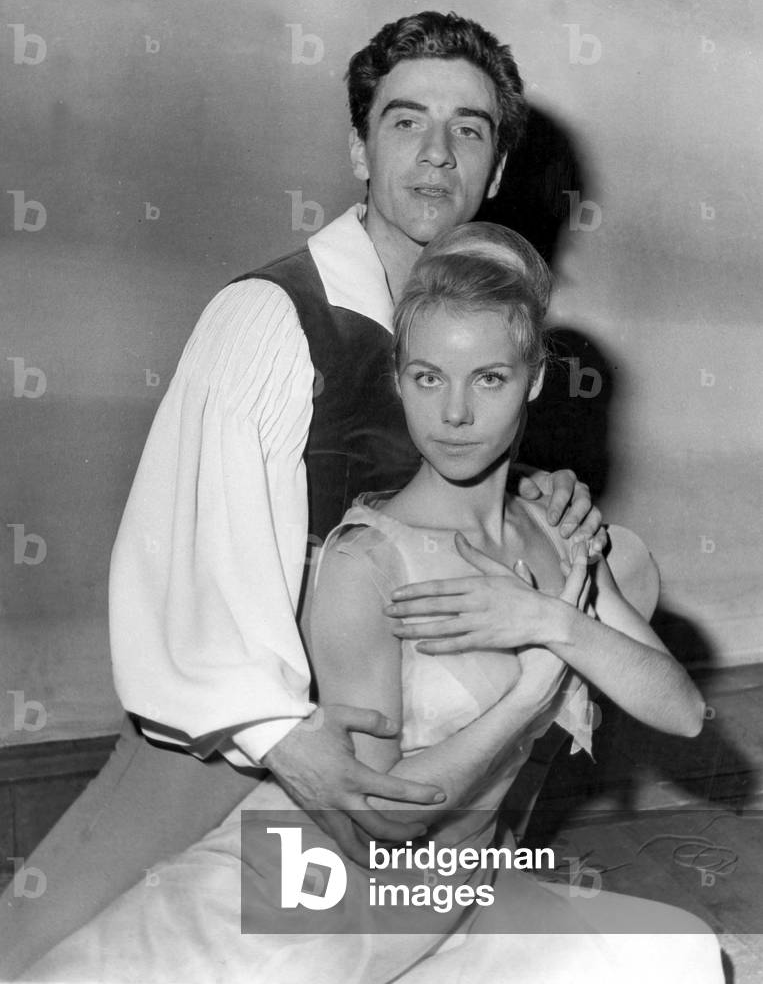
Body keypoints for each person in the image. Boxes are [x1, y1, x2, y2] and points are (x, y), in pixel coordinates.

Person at [0, 12, 602, 978]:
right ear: (356, 147)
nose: (437, 155)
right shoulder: (272, 319)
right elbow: (196, 563)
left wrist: (540, 495)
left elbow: (435, 486)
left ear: (494, 172)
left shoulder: (478, 334)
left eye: (469, 130)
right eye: (405, 122)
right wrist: (285, 737)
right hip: (236, 754)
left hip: (399, 773)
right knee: (46, 949)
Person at [22, 223, 722, 984]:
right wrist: (529, 691)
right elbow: (382, 818)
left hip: (438, 903)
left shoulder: (551, 536)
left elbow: (681, 711)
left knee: (676, 950)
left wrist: (551, 621)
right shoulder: (368, 560)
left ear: (533, 380)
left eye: (486, 378)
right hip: (298, 903)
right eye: (427, 377)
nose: (452, 414)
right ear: (397, 379)